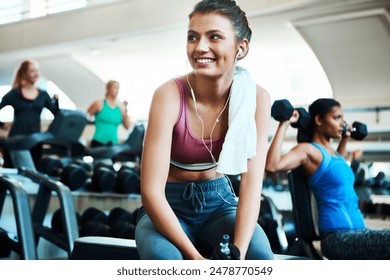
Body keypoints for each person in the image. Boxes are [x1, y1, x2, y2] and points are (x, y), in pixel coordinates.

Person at [135, 0, 274, 260]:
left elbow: (251, 186)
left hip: (220, 203)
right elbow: (151, 193)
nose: (200, 47)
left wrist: (238, 255)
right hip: (167, 205)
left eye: (214, 37)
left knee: (260, 259)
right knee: (165, 262)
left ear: (240, 48)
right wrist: (196, 260)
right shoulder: (168, 95)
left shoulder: (256, 99)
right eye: (192, 37)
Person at [265, 98, 390, 259]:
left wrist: (345, 138)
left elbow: (336, 168)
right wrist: (284, 123)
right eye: (336, 118)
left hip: (359, 232)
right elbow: (272, 165)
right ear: (318, 120)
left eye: (342, 118)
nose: (342, 123)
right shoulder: (309, 151)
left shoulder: (334, 154)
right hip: (339, 237)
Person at [0, 59, 60, 167]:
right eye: (32, 71)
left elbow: (57, 114)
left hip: (34, 141)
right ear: (24, 73)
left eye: (37, 71)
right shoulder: (14, 94)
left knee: (33, 174)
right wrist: (2, 124)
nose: (37, 74)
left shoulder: (43, 95)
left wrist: (56, 102)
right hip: (15, 141)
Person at [87, 80, 132, 147]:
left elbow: (128, 126)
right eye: (115, 87)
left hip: (113, 145)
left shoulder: (119, 109)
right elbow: (86, 116)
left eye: (118, 88)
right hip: (98, 143)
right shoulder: (99, 103)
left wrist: (125, 111)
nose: (117, 90)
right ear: (108, 88)